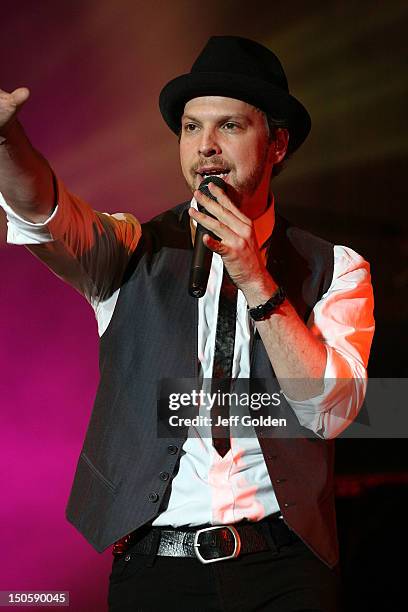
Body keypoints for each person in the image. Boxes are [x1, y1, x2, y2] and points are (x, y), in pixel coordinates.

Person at [0, 36, 374, 611]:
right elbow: (45, 213)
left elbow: (331, 412)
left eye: (229, 127)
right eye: (192, 128)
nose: (206, 148)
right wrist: (7, 142)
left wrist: (258, 282)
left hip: (284, 567)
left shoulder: (335, 267)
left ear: (276, 144)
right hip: (157, 570)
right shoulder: (131, 249)